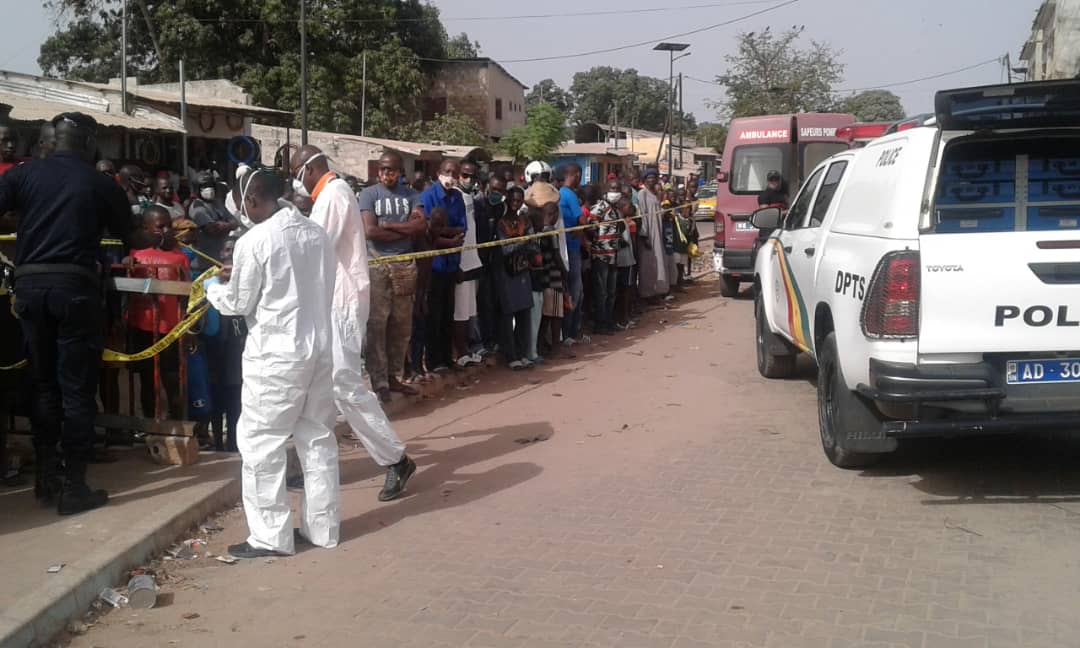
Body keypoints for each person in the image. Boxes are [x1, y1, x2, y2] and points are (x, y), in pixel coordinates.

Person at [0, 112, 137, 515]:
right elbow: (129, 234)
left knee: (43, 386)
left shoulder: (23, 175)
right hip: (74, 290)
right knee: (76, 390)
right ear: (88, 141)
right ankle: (73, 486)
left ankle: (46, 478)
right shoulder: (100, 183)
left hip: (28, 289)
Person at [205, 168, 340, 559]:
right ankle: (323, 528)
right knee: (316, 440)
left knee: (262, 444)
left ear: (251, 201)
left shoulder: (256, 240)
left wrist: (215, 288)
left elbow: (238, 303)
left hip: (276, 356)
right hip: (318, 349)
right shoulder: (315, 233)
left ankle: (269, 537)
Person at [292, 145, 416, 502]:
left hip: (342, 303)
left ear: (312, 167)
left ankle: (396, 458)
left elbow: (314, 247)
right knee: (321, 385)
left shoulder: (333, 194)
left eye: (300, 172)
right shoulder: (330, 195)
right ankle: (318, 465)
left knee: (345, 385)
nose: (299, 182)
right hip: (331, 301)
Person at [359, 152, 427, 403]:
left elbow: (420, 227)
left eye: (393, 170)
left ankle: (394, 376)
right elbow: (370, 231)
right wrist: (403, 230)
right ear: (378, 171)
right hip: (377, 264)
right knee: (377, 325)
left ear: (400, 173)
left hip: (404, 265)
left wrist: (388, 226)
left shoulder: (412, 195)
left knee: (401, 325)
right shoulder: (368, 194)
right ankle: (379, 381)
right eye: (384, 169)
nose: (388, 174)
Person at [127, 206, 190, 419]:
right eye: (160, 226)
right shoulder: (135, 257)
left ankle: (177, 422)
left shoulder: (179, 258)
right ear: (146, 228)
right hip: (143, 327)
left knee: (173, 379)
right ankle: (149, 423)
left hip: (171, 328)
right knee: (147, 379)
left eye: (169, 226)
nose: (166, 230)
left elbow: (187, 294)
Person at [420, 159, 467, 372]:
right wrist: (449, 235)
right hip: (434, 266)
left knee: (449, 313)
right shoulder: (428, 197)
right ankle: (432, 361)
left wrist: (445, 232)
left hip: (451, 264)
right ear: (439, 172)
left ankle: (447, 359)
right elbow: (429, 233)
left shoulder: (458, 197)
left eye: (454, 172)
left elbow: (461, 229)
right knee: (434, 315)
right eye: (447, 171)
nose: (451, 176)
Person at [206, 238, 244, 453]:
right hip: (214, 354)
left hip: (237, 357)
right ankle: (218, 443)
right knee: (216, 400)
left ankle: (233, 443)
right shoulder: (208, 287)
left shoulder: (243, 290)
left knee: (235, 404)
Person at [495, 186, 536, 370]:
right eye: (513, 200)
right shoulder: (501, 223)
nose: (515, 203)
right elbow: (505, 249)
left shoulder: (524, 221)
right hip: (506, 272)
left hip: (523, 271)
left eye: (519, 200)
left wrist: (520, 243)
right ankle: (511, 355)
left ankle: (523, 352)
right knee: (508, 313)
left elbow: (534, 245)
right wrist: (523, 241)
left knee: (524, 313)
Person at [455, 160, 486, 364]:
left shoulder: (471, 197)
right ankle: (460, 352)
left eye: (472, 176)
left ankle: (470, 347)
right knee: (460, 311)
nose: (468, 179)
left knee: (470, 310)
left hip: (473, 260)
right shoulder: (456, 196)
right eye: (465, 175)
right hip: (461, 263)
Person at [587, 179, 624, 335]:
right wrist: (597, 244)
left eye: (617, 189)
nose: (615, 192)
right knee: (601, 293)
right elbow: (590, 227)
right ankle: (600, 323)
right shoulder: (599, 208)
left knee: (611, 292)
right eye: (612, 189)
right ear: (606, 191)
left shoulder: (616, 209)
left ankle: (608, 321)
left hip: (613, 255)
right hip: (601, 256)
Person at [558, 163, 586, 346]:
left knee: (569, 290)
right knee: (574, 292)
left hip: (563, 247)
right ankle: (570, 332)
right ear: (575, 175)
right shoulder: (570, 195)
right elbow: (582, 219)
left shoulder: (558, 193)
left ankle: (568, 332)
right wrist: (579, 234)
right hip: (572, 248)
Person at [188, 171, 237, 270]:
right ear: (197, 189)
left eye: (210, 185)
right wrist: (227, 225)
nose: (209, 189)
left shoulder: (217, 202)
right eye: (204, 187)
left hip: (219, 260)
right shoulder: (197, 206)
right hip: (204, 263)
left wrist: (223, 225)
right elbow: (211, 230)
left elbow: (235, 222)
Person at [637, 170, 670, 302]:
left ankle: (659, 290)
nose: (651, 180)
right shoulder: (642, 193)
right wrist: (644, 235)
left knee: (658, 261)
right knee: (648, 264)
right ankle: (647, 294)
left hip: (657, 230)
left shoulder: (655, 194)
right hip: (648, 233)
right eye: (649, 177)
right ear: (644, 179)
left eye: (654, 177)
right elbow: (642, 214)